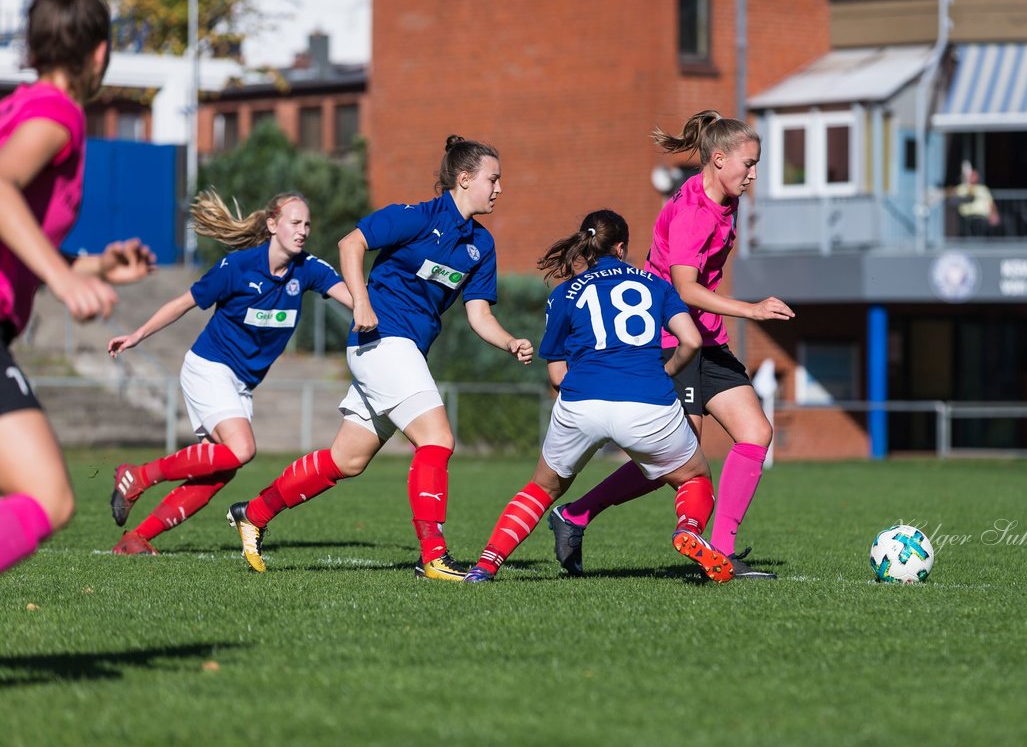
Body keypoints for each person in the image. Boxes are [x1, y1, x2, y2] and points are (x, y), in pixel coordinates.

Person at [225, 135, 533, 579]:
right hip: (381, 340)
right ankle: (434, 556)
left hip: (404, 351)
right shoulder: (415, 218)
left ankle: (252, 514)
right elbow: (350, 244)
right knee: (438, 439)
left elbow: (479, 313)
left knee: (346, 460)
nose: (499, 188)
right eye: (493, 179)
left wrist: (508, 342)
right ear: (464, 179)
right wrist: (361, 301)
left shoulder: (480, 246)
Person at [547, 109, 794, 580]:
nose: (754, 174)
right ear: (719, 160)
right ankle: (575, 514)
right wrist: (754, 309)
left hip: (706, 339)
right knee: (678, 457)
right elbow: (683, 290)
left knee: (755, 434)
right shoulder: (691, 214)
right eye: (748, 164)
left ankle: (719, 550)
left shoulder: (724, 194)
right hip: (670, 339)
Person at [464, 210, 731, 583]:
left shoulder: (564, 294)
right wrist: (668, 371)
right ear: (621, 247)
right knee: (693, 478)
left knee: (541, 488)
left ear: (586, 245)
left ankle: (485, 566)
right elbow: (691, 340)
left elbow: (557, 374)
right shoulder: (655, 284)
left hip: (582, 401)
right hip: (647, 401)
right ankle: (688, 528)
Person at [0, 0, 157, 575]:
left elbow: (18, 233)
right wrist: (65, 282)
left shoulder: (20, 106)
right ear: (100, 54)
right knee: (48, 496)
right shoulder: (58, 113)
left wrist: (90, 264)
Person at [106, 190, 352, 554]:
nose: (303, 231)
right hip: (209, 367)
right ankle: (139, 476)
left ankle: (137, 538)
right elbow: (183, 303)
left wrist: (382, 312)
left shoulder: (309, 269)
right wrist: (138, 335)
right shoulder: (238, 267)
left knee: (220, 471)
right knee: (241, 449)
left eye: (307, 224)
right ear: (272, 224)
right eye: (295, 222)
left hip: (241, 384)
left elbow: (354, 298)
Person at [953, 165, 1000, 238]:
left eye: (975, 176)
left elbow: (991, 204)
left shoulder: (982, 189)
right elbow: (954, 193)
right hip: (969, 218)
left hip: (982, 218)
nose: (974, 178)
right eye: (972, 175)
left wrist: (994, 214)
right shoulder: (963, 188)